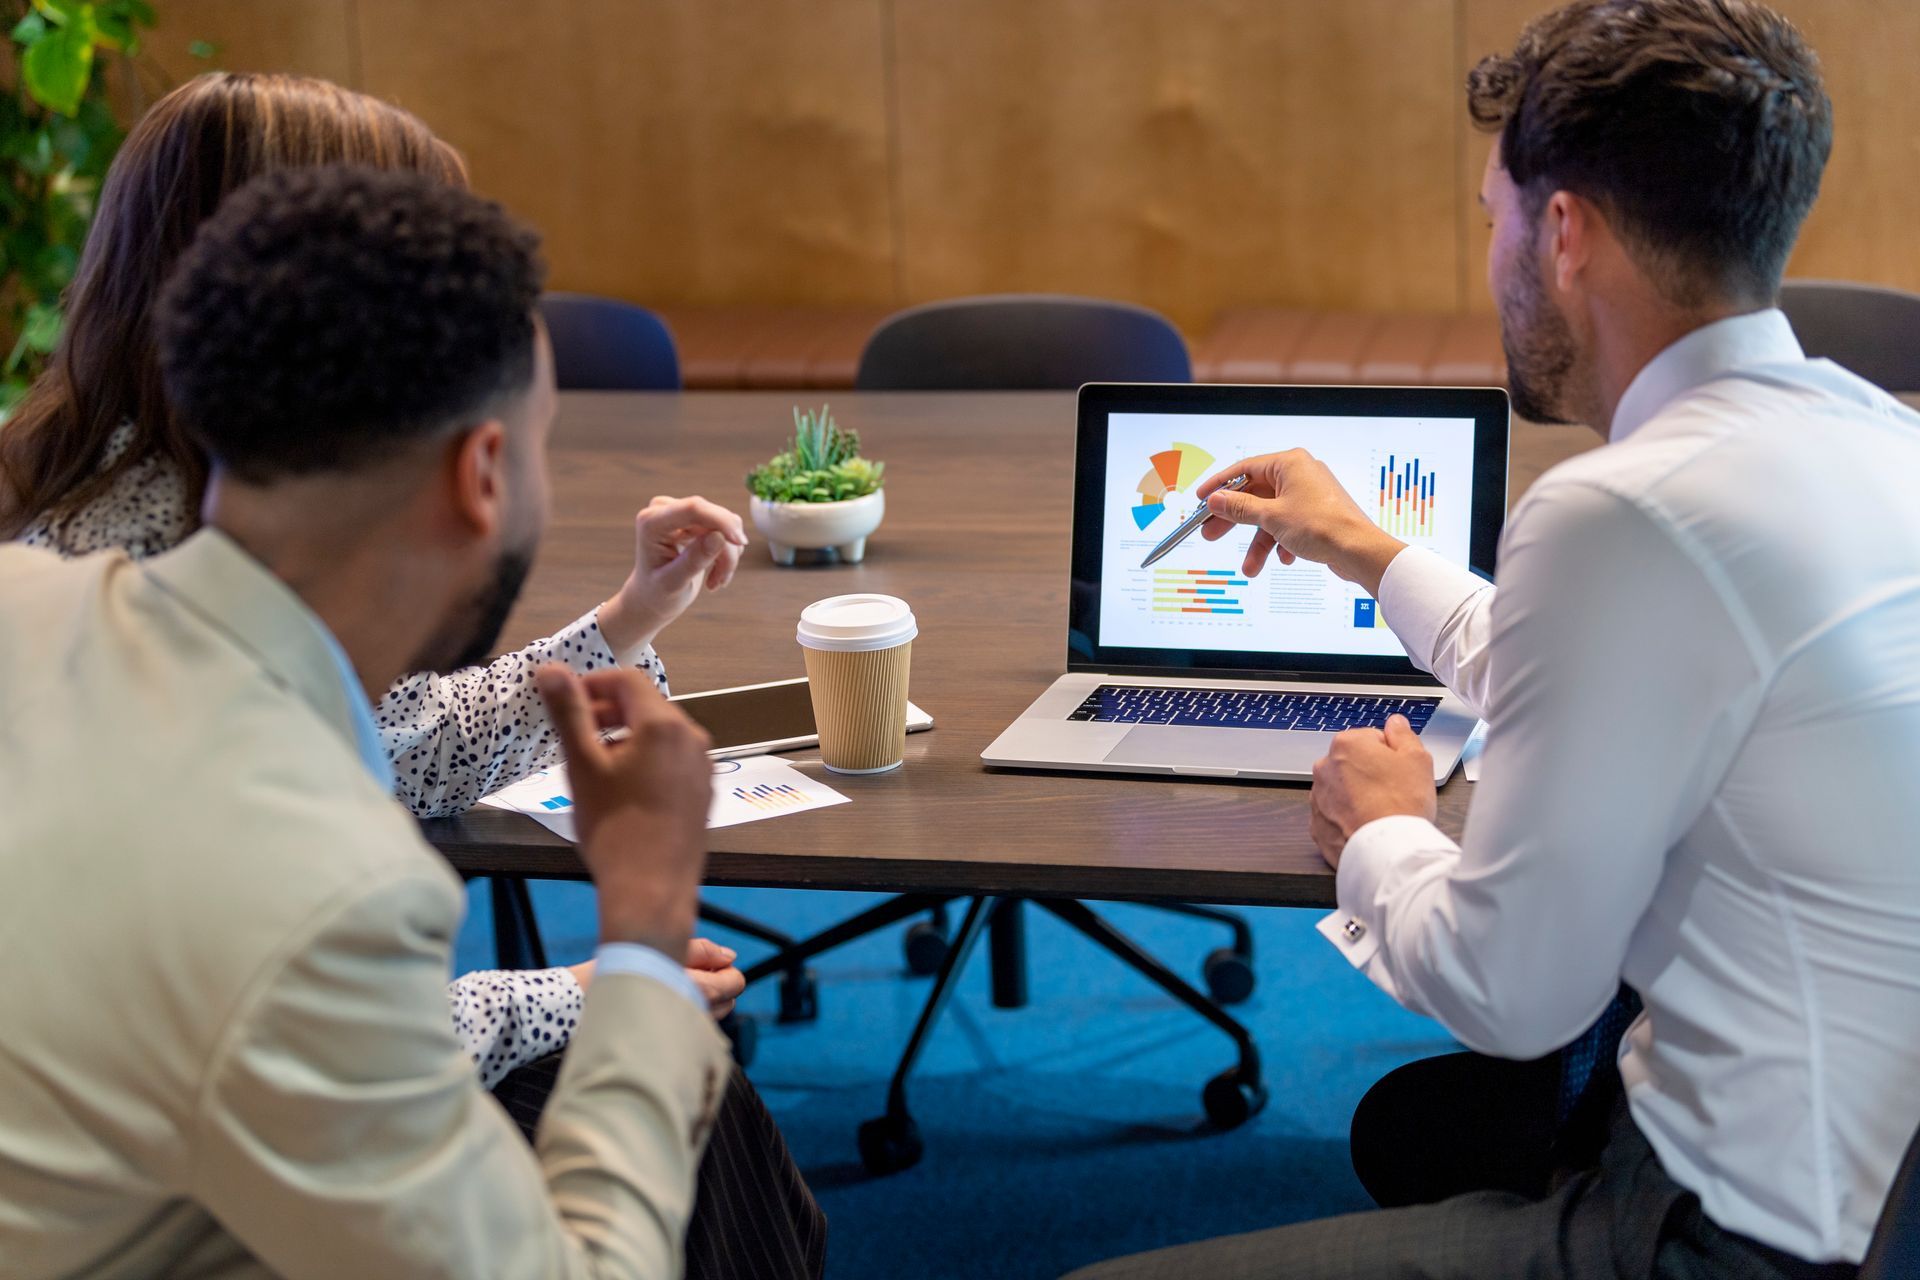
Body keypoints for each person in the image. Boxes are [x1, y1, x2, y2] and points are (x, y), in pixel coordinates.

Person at [1071, 1, 1920, 1276]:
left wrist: (1384, 828)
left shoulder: (1623, 509)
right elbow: (1605, 656)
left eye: (1495, 219)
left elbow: (1510, 992)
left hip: (1726, 1235)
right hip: (1870, 1168)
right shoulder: (1872, 438)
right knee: (1419, 1132)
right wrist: (1358, 544)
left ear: (1563, 231)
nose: (1496, 256)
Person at [0, 74, 824, 1277]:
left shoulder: (56, 583)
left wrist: (622, 625)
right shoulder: (323, 883)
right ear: (482, 472)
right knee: (696, 1117)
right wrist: (640, 943)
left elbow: (391, 733)